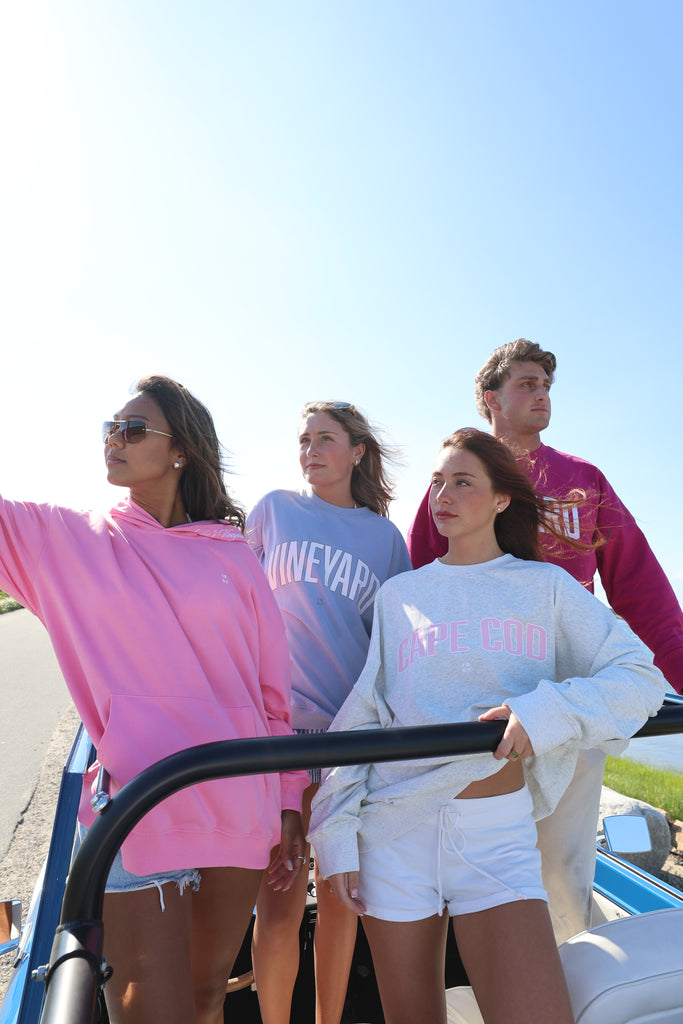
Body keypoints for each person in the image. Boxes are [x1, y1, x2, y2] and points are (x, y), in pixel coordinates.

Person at [308, 428, 666, 1024]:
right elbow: (364, 717)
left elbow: (639, 677)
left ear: (502, 498)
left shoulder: (546, 588)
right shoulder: (400, 597)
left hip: (497, 837)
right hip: (395, 832)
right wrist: (336, 834)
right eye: (436, 482)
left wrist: (544, 713)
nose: (443, 495)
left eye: (462, 482)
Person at [0, 376, 308, 1024]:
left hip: (238, 805)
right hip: (136, 810)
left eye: (133, 428)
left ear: (181, 451)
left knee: (205, 1001)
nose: (113, 439)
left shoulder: (235, 555)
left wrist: (288, 801)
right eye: (110, 427)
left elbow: (273, 700)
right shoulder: (70, 539)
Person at [407, 339, 683, 941]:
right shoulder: (455, 481)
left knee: (562, 869)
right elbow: (421, 586)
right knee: (468, 860)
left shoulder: (584, 480)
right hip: (477, 703)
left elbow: (641, 589)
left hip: (569, 700)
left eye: (547, 386)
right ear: (491, 398)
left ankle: (568, 982)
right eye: (527, 384)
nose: (542, 395)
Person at [246, 400, 412, 1024]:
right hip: (278, 736)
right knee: (279, 905)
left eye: (325, 438)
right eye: (304, 439)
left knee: (342, 899)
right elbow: (236, 605)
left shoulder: (385, 539)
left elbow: (394, 645)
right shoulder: (273, 511)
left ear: (357, 452)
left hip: (349, 738)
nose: (310, 450)